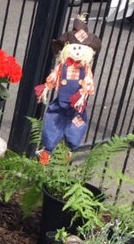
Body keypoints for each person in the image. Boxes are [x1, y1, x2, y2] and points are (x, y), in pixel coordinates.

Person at [36, 15, 102, 153]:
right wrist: (47, 87)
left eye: (80, 49)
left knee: (77, 124)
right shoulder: (62, 66)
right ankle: (47, 150)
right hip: (60, 101)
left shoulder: (86, 69)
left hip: (76, 103)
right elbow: (54, 76)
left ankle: (69, 149)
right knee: (52, 121)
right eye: (74, 48)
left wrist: (82, 95)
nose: (77, 51)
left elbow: (88, 83)